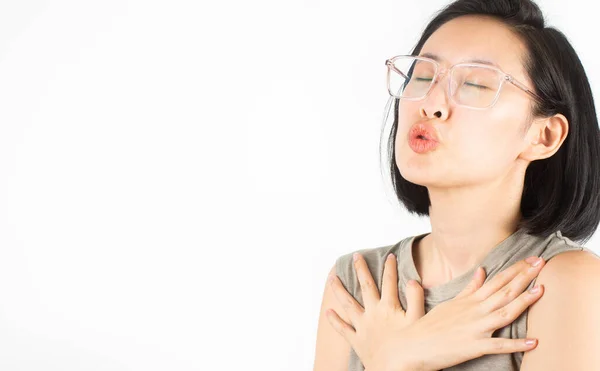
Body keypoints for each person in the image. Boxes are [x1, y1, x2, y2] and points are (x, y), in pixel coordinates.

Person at [313, 0, 600, 370]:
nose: (431, 103)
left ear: (543, 136)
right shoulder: (356, 282)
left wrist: (398, 358)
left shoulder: (561, 283)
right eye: (421, 76)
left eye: (476, 84)